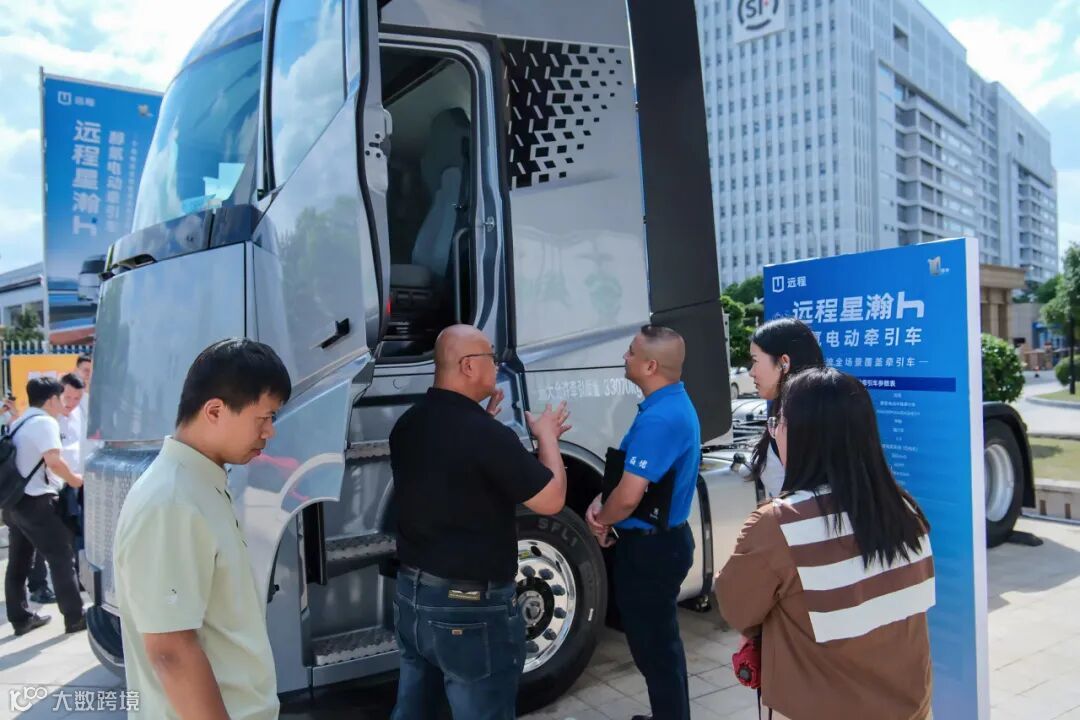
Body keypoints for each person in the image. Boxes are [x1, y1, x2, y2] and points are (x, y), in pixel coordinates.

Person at [717, 368, 935, 720]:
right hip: (912, 708)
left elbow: (736, 607)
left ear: (803, 435)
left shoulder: (779, 524)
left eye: (778, 423)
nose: (775, 432)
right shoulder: (904, 508)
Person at [389, 324, 570, 720]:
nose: (497, 366)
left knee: (415, 709)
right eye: (491, 357)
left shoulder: (409, 423)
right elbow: (551, 498)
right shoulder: (486, 436)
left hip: (412, 598)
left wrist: (485, 423)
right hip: (468, 610)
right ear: (469, 366)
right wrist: (548, 438)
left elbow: (451, 473)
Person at [113, 339, 291, 720]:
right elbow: (172, 651)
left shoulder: (198, 483)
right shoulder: (172, 500)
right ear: (214, 411)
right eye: (264, 418)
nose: (270, 432)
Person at [586, 325, 700, 720]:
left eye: (631, 352)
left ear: (651, 366)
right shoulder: (667, 406)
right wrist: (602, 502)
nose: (625, 356)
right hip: (659, 543)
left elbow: (630, 496)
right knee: (660, 648)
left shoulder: (662, 418)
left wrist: (603, 520)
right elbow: (629, 481)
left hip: (652, 551)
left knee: (656, 651)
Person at [2, 377, 86, 636]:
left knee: (18, 562)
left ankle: (20, 618)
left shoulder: (19, 423)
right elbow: (54, 461)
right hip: (37, 502)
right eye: (61, 398)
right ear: (51, 399)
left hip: (14, 502)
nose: (63, 403)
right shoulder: (45, 423)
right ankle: (75, 617)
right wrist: (75, 480)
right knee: (61, 556)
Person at [746, 318, 824, 498]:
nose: (751, 372)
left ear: (784, 363)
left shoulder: (799, 419)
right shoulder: (797, 408)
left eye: (755, 361)